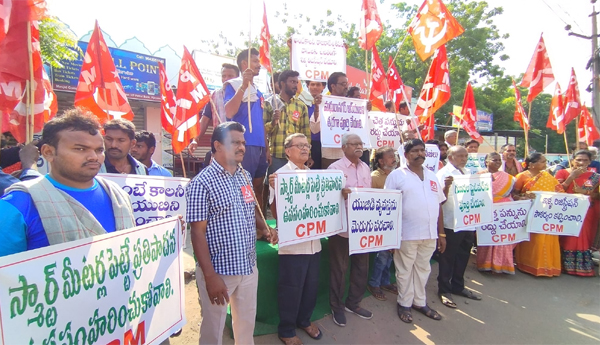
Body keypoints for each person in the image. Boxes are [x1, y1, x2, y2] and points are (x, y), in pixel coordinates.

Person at [187, 121, 276, 345]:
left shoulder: (244, 175)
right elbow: (197, 233)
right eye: (235, 142)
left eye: (243, 142)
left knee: (246, 325)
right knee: (213, 330)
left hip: (248, 265)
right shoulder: (201, 183)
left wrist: (265, 228)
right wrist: (210, 276)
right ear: (217, 145)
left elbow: (250, 207)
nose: (242, 147)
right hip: (219, 271)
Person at [0, 108, 135, 256]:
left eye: (98, 150)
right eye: (80, 149)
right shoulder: (18, 204)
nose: (93, 157)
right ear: (48, 152)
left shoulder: (118, 195)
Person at [268, 134, 322, 345]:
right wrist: (273, 188)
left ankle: (304, 321)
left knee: (311, 286)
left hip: (314, 243)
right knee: (291, 288)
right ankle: (287, 329)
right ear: (287, 150)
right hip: (293, 245)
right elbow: (275, 213)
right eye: (299, 146)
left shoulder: (316, 176)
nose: (305, 149)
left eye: (306, 145)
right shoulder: (279, 176)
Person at [385, 139, 446, 322]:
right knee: (404, 270)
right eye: (415, 151)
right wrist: (390, 237)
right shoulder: (396, 176)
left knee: (423, 269)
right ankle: (404, 303)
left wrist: (441, 233)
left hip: (429, 234)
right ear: (406, 154)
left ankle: (419, 302)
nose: (420, 154)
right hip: (406, 233)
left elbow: (439, 204)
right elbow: (388, 207)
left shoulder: (432, 176)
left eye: (422, 150)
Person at [328, 133, 373, 326]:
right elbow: (326, 200)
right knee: (340, 269)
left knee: (361, 267)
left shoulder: (365, 168)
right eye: (354, 143)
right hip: (341, 228)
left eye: (360, 144)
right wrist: (341, 196)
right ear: (344, 147)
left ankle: (353, 303)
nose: (359, 147)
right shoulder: (334, 168)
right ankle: (336, 307)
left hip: (362, 228)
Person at [224, 48, 269, 213]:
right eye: (256, 61)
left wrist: (267, 149)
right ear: (244, 64)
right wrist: (243, 86)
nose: (259, 65)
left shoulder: (258, 90)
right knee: (244, 187)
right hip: (244, 145)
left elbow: (261, 122)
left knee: (258, 186)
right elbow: (229, 112)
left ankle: (258, 225)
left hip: (259, 146)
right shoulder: (233, 85)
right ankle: (243, 221)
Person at [436, 146, 481, 308]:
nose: (464, 159)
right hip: (450, 222)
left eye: (466, 156)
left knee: (463, 255)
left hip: (467, 222)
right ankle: (444, 290)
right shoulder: (442, 174)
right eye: (460, 156)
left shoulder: (467, 172)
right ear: (450, 157)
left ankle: (458, 286)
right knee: (447, 258)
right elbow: (439, 200)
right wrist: (446, 187)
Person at [514, 153, 564, 277]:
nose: (545, 164)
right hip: (529, 214)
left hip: (548, 215)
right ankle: (528, 265)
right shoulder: (521, 176)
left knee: (548, 239)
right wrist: (524, 197)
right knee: (533, 240)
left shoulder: (548, 176)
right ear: (531, 164)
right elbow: (513, 195)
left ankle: (549, 268)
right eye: (542, 161)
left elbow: (560, 192)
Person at [555, 150, 600, 277]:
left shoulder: (595, 176)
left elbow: (597, 195)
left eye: (585, 160)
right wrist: (571, 178)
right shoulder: (562, 172)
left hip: (586, 211)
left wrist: (586, 193)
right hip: (566, 211)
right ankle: (563, 264)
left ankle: (581, 266)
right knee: (567, 235)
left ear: (590, 162)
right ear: (572, 160)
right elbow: (555, 191)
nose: (581, 163)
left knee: (581, 236)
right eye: (578, 160)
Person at [476, 152, 519, 274]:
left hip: (504, 211)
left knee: (502, 238)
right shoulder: (478, 176)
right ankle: (485, 264)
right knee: (488, 236)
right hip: (487, 210)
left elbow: (513, 193)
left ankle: (503, 265)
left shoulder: (508, 177)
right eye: (494, 160)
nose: (498, 162)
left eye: (499, 160)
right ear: (486, 162)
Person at [263, 70, 312, 175]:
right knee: (274, 186)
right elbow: (262, 131)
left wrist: (308, 154)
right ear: (282, 83)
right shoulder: (270, 103)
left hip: (296, 156)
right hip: (276, 155)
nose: (295, 85)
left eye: (296, 82)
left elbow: (305, 133)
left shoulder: (301, 106)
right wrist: (273, 123)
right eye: (292, 82)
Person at [367, 146, 399, 301]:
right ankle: (374, 283)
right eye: (390, 156)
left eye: (394, 156)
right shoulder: (374, 177)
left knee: (390, 255)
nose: (394, 159)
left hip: (394, 221)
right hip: (380, 222)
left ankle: (385, 282)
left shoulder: (396, 175)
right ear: (380, 161)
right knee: (382, 256)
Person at [189, 63, 240, 154]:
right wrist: (196, 139)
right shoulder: (214, 96)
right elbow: (204, 120)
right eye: (223, 76)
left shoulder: (244, 95)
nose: (226, 79)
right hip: (221, 143)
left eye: (230, 76)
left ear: (237, 77)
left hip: (239, 144)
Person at [315, 72, 348, 168]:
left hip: (348, 155)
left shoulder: (353, 105)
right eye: (343, 84)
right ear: (333, 86)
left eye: (347, 84)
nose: (346, 87)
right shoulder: (323, 103)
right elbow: (314, 129)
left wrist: (366, 110)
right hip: (329, 156)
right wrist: (317, 108)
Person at [305, 80, 326, 170]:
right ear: (307, 86)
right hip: (309, 143)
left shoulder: (328, 103)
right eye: (312, 84)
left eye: (318, 84)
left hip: (324, 143)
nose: (315, 87)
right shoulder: (302, 103)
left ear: (323, 87)